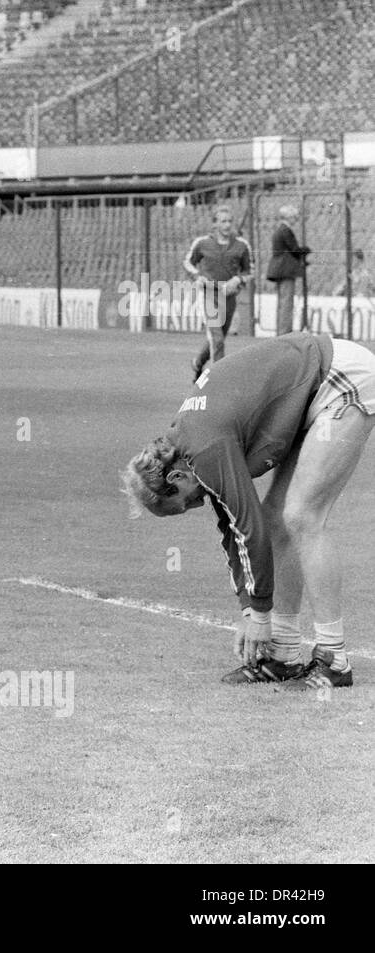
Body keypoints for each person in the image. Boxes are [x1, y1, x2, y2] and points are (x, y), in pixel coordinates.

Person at [121, 332, 372, 690]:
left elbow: (246, 526)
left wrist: (259, 613)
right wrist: (249, 610)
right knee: (276, 518)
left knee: (302, 516)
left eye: (184, 503)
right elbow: (236, 532)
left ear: (176, 476)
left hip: (340, 377)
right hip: (310, 389)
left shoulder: (204, 446)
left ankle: (335, 659)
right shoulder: (188, 444)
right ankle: (283, 654)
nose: (196, 505)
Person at [184, 205, 253, 380]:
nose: (227, 225)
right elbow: (188, 263)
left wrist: (238, 279)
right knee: (217, 339)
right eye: (223, 221)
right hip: (209, 295)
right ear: (215, 224)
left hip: (229, 297)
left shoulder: (241, 245)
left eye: (230, 221)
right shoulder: (202, 243)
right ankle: (218, 380)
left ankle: (198, 362)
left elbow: (250, 270)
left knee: (218, 338)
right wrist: (197, 276)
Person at [265, 204, 309, 335]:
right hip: (285, 269)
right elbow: (294, 249)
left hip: (279, 269)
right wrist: (305, 250)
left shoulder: (280, 230)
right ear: (288, 217)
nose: (295, 219)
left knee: (283, 302)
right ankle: (284, 332)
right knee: (286, 303)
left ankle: (281, 331)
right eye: (294, 217)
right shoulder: (285, 230)